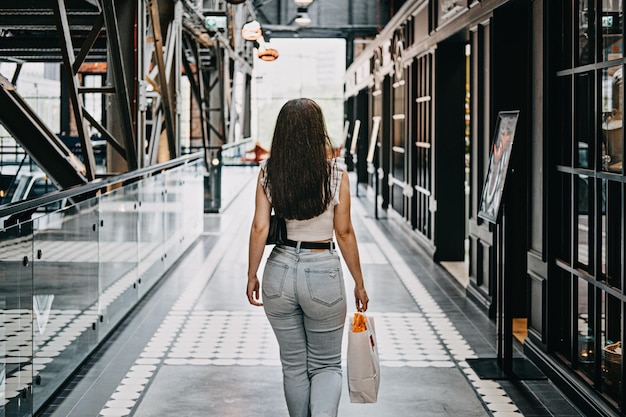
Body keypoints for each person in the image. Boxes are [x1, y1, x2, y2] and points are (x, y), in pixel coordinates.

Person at [247, 98, 369, 417]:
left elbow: (261, 227)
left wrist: (252, 274)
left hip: (280, 271)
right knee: (326, 364)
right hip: (323, 272)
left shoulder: (269, 173)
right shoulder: (336, 176)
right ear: (319, 132)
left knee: (293, 366)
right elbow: (343, 233)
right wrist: (359, 282)